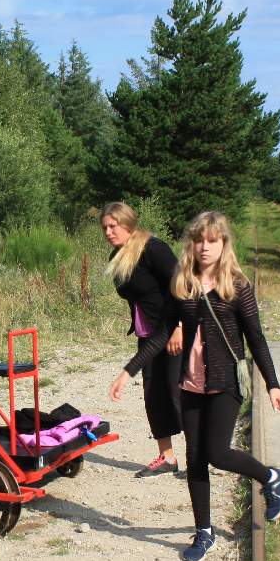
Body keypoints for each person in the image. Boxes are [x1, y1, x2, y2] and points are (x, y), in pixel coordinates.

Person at [109, 211, 280, 561]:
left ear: (224, 244)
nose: (205, 247)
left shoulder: (237, 286)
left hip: (225, 384)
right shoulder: (184, 285)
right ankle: (203, 532)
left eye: (213, 240)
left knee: (216, 453)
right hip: (191, 384)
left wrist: (273, 383)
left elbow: (256, 337)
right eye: (199, 240)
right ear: (191, 244)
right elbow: (162, 332)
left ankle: (272, 477)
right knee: (194, 460)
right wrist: (128, 372)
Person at [101, 202, 185, 477]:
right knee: (153, 395)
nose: (108, 232)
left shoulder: (153, 249)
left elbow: (182, 283)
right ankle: (167, 457)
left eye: (113, 226)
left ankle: (199, 456)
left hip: (173, 332)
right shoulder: (119, 255)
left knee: (177, 394)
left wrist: (181, 326)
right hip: (149, 334)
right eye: (105, 227)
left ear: (128, 224)